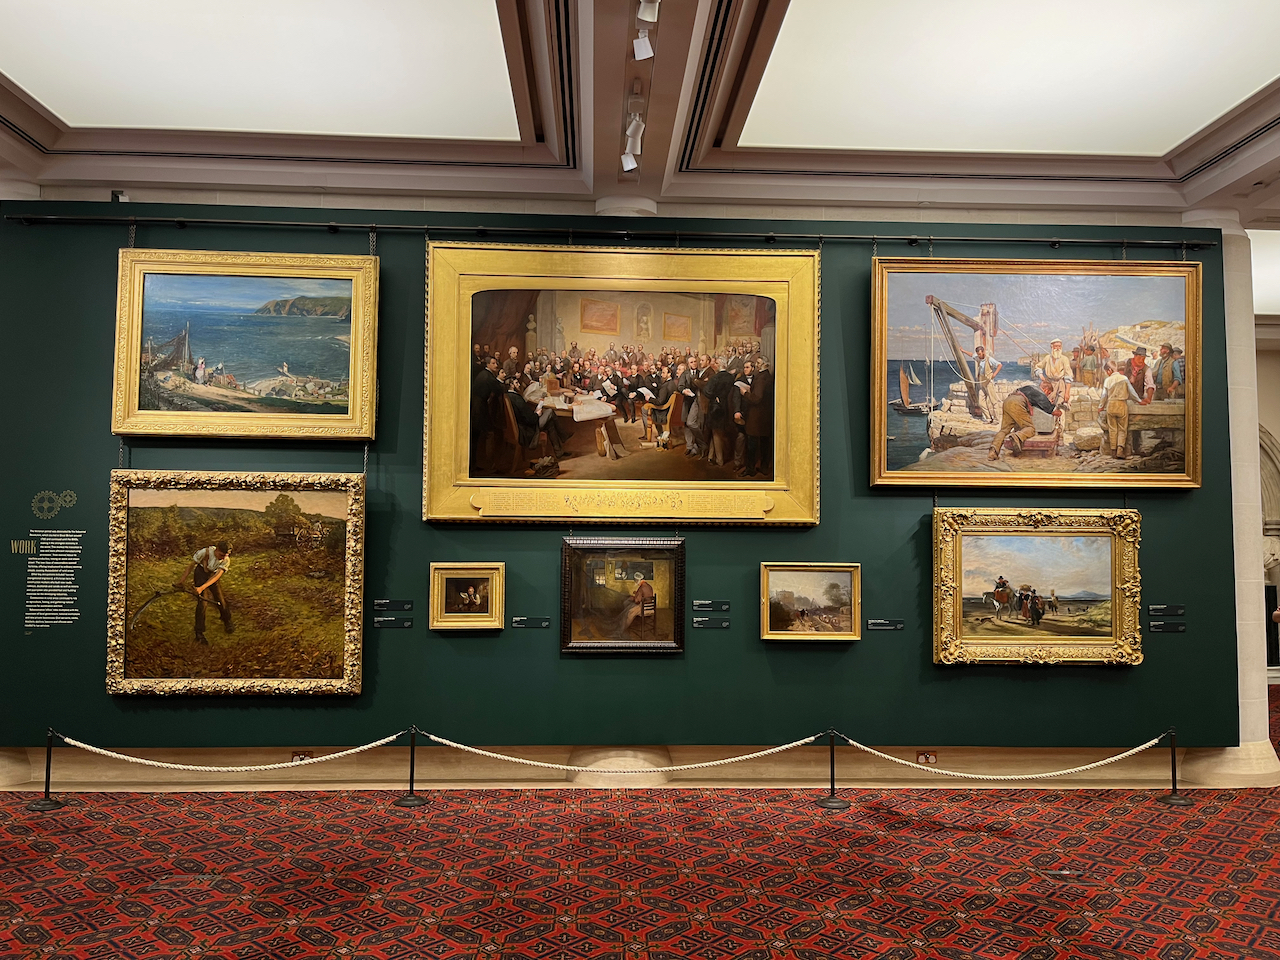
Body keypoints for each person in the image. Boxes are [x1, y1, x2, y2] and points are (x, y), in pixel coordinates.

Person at [174, 541, 234, 644]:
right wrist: (181, 581)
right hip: (200, 574)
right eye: (221, 555)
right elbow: (190, 566)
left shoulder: (226, 560)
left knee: (220, 599)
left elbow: (216, 576)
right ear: (216, 550)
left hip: (212, 576)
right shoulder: (204, 552)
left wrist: (202, 587)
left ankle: (227, 620)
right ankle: (199, 633)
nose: (223, 558)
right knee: (202, 603)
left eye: (226, 556)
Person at [988, 384, 1063, 461]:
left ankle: (993, 452)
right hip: (1017, 403)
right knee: (1030, 428)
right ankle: (1017, 437)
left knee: (1004, 430)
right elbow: (1050, 410)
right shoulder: (1040, 393)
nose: (1047, 395)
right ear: (1046, 389)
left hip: (1008, 401)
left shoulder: (1030, 388)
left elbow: (1034, 402)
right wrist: (1059, 412)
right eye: (1048, 393)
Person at [1098, 360, 1141, 459]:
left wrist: (1100, 407)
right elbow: (1132, 393)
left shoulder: (1107, 380)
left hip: (1111, 405)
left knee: (1112, 429)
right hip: (1121, 404)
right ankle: (1120, 450)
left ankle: (1113, 451)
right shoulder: (1124, 378)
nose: (1107, 374)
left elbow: (1104, 396)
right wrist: (1139, 401)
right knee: (1122, 429)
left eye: (1107, 372)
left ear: (1109, 370)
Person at [471, 357, 505, 471]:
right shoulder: (489, 376)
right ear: (488, 365)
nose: (496, 365)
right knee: (489, 433)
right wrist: (500, 379)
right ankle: (489, 464)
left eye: (496, 363)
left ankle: (477, 463)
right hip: (479, 408)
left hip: (476, 406)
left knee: (477, 436)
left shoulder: (483, 374)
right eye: (493, 363)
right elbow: (499, 390)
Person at [1034, 338, 1073, 404]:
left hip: (1060, 385)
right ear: (1052, 347)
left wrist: (1067, 393)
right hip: (1049, 385)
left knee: (1060, 405)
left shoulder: (1064, 359)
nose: (1057, 348)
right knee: (1048, 405)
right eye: (1056, 346)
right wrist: (1041, 376)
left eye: (1059, 346)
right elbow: (1038, 367)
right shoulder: (1047, 358)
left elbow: (1068, 376)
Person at [969, 345, 1002, 422]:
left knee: (994, 401)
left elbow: (999, 365)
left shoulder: (989, 359)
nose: (979, 356)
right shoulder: (978, 358)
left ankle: (997, 419)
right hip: (982, 382)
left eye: (980, 354)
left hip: (988, 382)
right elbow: (971, 355)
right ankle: (988, 418)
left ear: (983, 352)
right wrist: (963, 351)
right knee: (981, 402)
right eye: (978, 354)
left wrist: (994, 375)